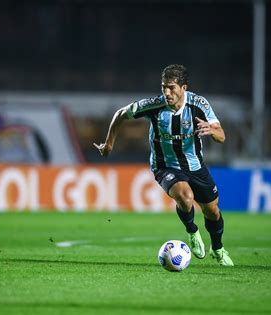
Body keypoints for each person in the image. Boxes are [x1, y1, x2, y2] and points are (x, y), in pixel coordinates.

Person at [94, 64, 233, 266]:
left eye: (171, 88)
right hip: (165, 166)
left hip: (195, 165)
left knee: (212, 211)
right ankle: (192, 232)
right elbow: (121, 114)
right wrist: (109, 143)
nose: (166, 93)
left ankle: (218, 249)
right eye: (163, 87)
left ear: (183, 87)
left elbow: (221, 136)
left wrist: (212, 131)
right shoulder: (155, 106)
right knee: (186, 198)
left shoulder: (199, 105)